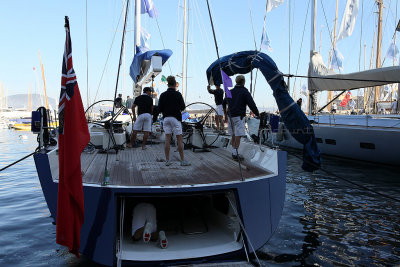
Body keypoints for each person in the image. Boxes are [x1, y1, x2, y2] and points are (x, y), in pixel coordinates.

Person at [223, 75, 259, 161]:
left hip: (230, 116)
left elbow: (223, 103)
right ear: (243, 82)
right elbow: (251, 104)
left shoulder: (229, 91)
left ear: (236, 81)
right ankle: (235, 154)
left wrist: (225, 115)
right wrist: (257, 113)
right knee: (238, 135)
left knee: (233, 134)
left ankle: (233, 152)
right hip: (239, 117)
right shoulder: (245, 92)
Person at [158, 76, 190, 166]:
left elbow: (159, 108)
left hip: (166, 118)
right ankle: (183, 160)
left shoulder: (163, 95)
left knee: (167, 139)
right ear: (175, 85)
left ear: (167, 84)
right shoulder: (178, 94)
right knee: (179, 139)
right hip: (176, 118)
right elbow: (182, 107)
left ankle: (167, 161)